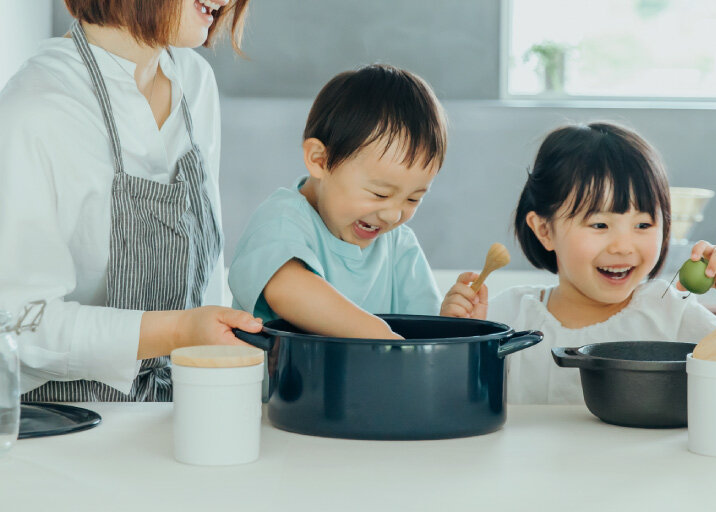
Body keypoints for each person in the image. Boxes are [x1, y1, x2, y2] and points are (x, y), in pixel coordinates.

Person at [0, 0, 262, 402]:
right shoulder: (35, 107)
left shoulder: (195, 81)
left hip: (177, 412)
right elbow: (18, 324)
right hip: (66, 429)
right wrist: (177, 332)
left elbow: (206, 280)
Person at [441, 122, 716, 404]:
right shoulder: (505, 317)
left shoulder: (673, 316)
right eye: (599, 225)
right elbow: (452, 402)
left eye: (643, 225)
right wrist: (457, 341)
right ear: (545, 230)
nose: (623, 247)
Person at [228, 64, 447, 339]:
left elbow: (420, 332)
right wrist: (376, 335)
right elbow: (288, 291)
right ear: (320, 160)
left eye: (413, 198)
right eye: (380, 194)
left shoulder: (399, 245)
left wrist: (449, 319)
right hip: (288, 382)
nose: (393, 215)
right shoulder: (282, 220)